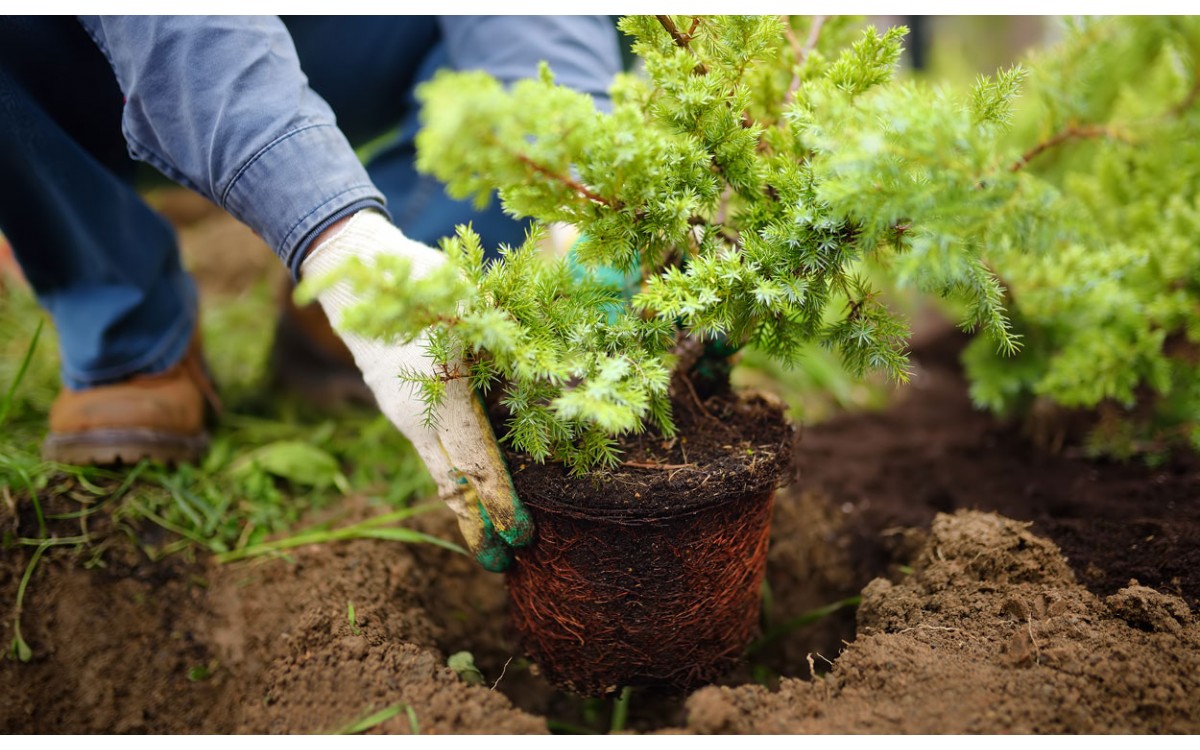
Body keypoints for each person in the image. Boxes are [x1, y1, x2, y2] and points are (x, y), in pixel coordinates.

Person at [0, 16, 622, 571]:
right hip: (98, 55)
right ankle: (125, 322)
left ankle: (396, 275)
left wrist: (573, 163)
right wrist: (333, 238)